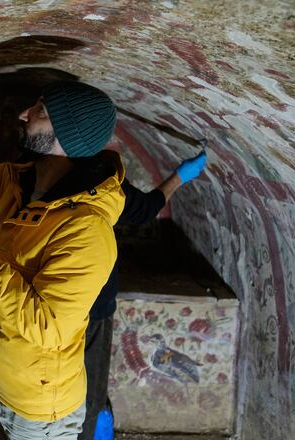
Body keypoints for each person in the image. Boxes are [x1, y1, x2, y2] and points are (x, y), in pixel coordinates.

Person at [0, 48, 124, 439]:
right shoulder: (19, 182)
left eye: (40, 111)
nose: (23, 115)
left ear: (68, 136)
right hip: (5, 382)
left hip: (40, 406)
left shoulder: (86, 229)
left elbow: (47, 327)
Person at [80, 150, 207, 440]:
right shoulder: (101, 177)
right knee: (89, 391)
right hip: (93, 303)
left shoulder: (33, 167)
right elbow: (146, 208)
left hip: (52, 301)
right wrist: (180, 177)